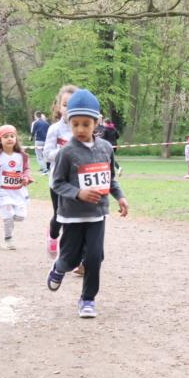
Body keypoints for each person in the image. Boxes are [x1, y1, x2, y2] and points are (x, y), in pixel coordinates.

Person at [46, 89, 128, 318]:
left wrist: (120, 196)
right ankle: (59, 268)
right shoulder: (67, 152)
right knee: (70, 258)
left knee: (94, 257)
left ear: (96, 123)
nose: (80, 130)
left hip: (97, 214)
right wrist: (78, 193)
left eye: (86, 124)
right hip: (72, 215)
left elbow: (109, 178)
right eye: (75, 125)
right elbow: (57, 183)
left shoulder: (105, 148)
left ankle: (88, 299)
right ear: (69, 123)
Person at [0, 124, 33, 250]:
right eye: (6, 137)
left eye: (12, 136)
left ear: (16, 139)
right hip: (2, 192)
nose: (10, 139)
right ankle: (8, 238)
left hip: (18, 192)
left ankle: (9, 220)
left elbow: (26, 170)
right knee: (8, 215)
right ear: (0, 140)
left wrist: (25, 177)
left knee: (20, 217)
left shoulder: (22, 156)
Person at [44, 84, 78, 258]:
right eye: (65, 105)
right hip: (58, 181)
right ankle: (52, 235)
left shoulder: (82, 128)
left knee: (75, 219)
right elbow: (47, 154)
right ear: (59, 107)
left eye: (72, 105)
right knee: (59, 215)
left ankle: (73, 255)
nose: (68, 109)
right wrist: (64, 152)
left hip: (77, 182)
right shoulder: (54, 129)